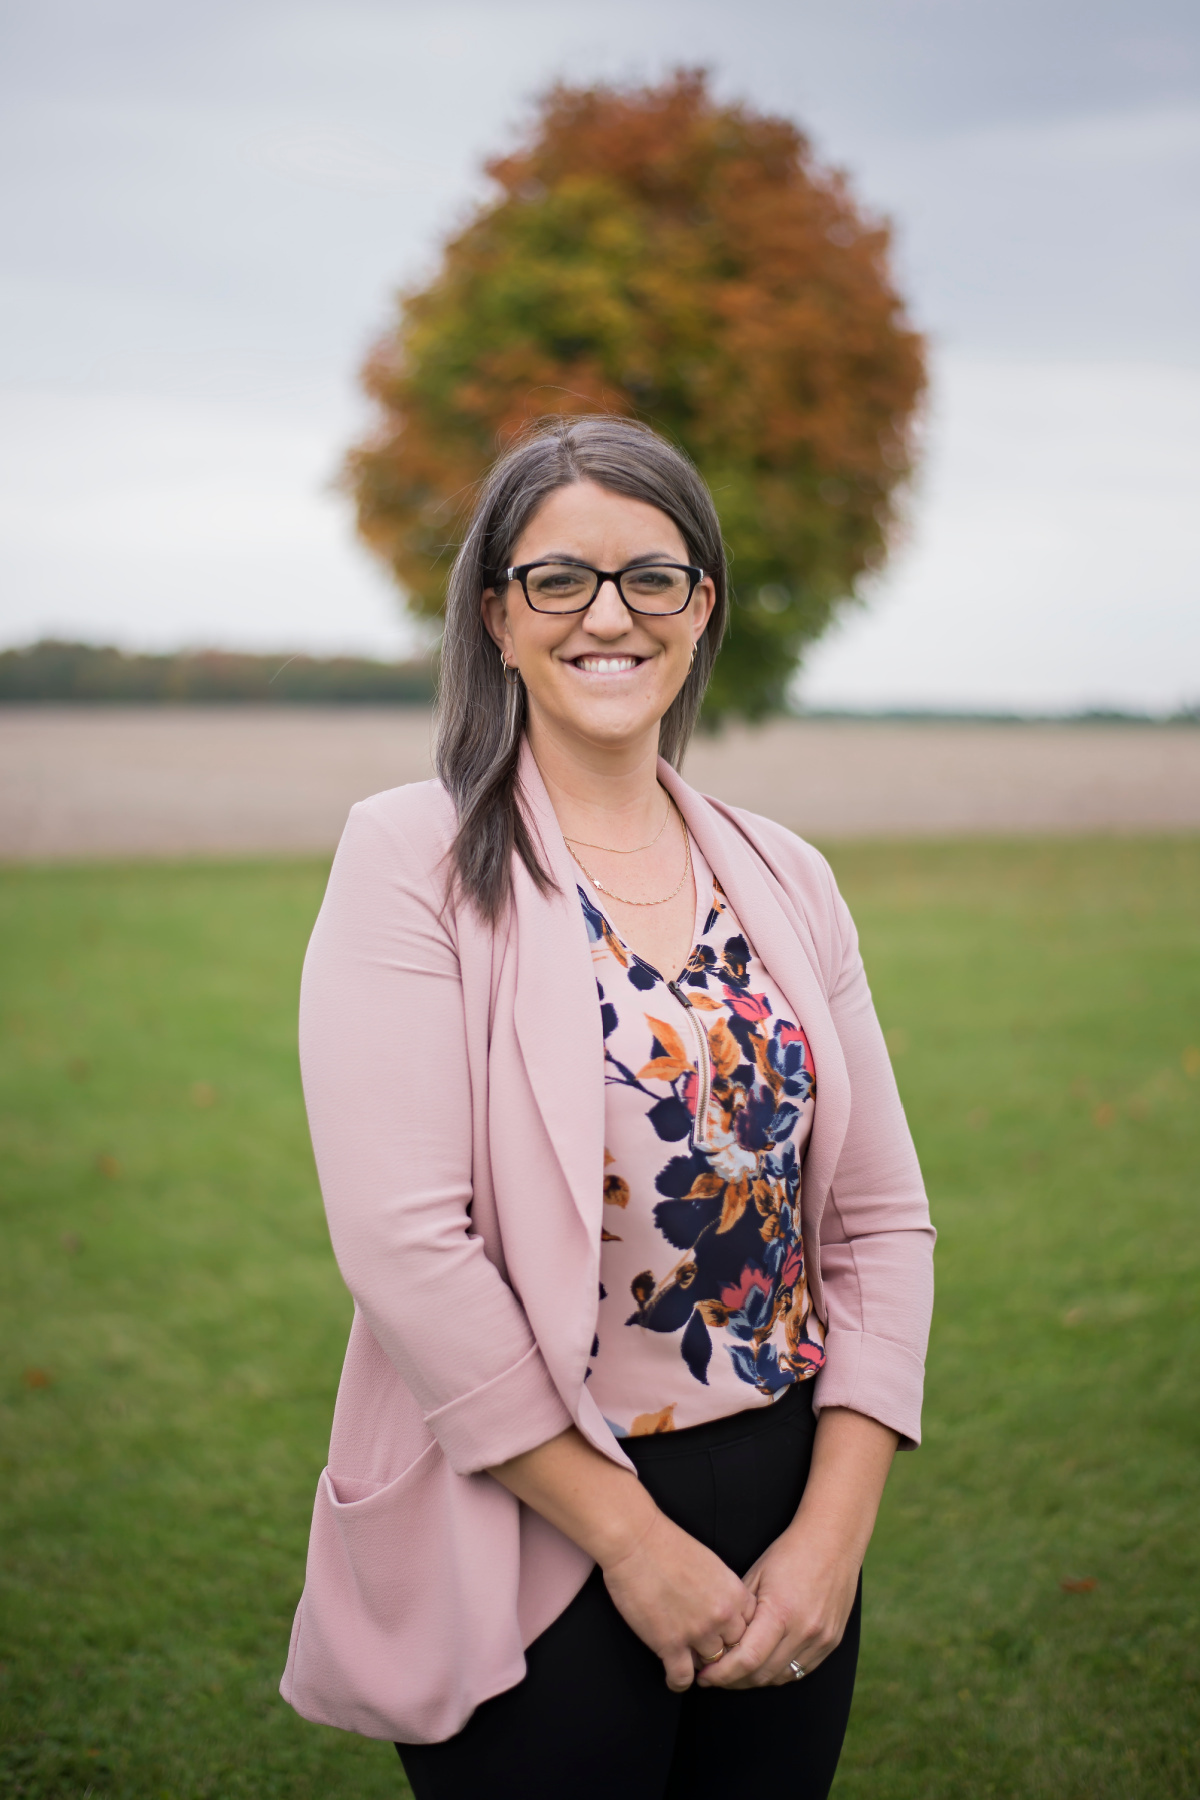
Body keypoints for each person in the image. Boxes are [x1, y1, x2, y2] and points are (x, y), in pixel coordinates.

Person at [280, 416, 934, 1800]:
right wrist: (629, 1543)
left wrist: (834, 1534)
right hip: (528, 1512)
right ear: (497, 618)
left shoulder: (791, 875)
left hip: (786, 1501)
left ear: (701, 609)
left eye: (653, 575)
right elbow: (408, 1241)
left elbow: (879, 1224)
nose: (609, 615)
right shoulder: (411, 856)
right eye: (559, 578)